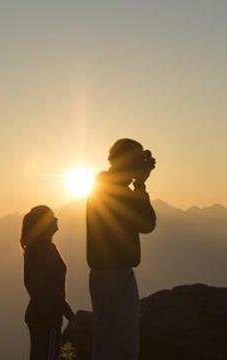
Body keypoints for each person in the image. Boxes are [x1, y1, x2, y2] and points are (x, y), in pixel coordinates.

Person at [85, 138, 157, 360]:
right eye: (135, 160)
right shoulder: (116, 190)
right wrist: (141, 185)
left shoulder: (102, 186)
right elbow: (147, 223)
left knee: (106, 339)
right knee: (123, 342)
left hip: (103, 273)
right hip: (116, 274)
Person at [22, 205, 73, 360]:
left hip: (41, 313)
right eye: (52, 217)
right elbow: (48, 287)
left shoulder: (38, 248)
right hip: (47, 316)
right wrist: (68, 313)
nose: (56, 219)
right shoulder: (43, 249)